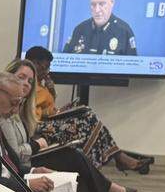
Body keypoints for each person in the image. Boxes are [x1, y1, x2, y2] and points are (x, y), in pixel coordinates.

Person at [1, 57, 135, 192]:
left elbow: (47, 109)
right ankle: (110, 179)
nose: (26, 84)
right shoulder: (6, 110)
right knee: (77, 144)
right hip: (30, 156)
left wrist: (51, 89)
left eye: (30, 81)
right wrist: (37, 145)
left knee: (78, 171)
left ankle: (108, 174)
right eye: (22, 78)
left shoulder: (27, 101)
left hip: (36, 141)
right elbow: (15, 155)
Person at [24, 45, 153, 173]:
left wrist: (56, 101)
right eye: (45, 67)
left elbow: (48, 107)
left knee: (87, 116)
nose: (47, 72)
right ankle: (109, 162)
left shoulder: (40, 84)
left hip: (47, 122)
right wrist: (54, 113)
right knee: (88, 121)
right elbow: (34, 113)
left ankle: (107, 162)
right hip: (37, 127)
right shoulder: (28, 84)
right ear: (34, 63)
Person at [63, 0, 137, 55]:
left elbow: (132, 65)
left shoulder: (124, 31)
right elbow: (64, 61)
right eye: (93, 4)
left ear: (112, 2)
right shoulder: (79, 30)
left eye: (102, 4)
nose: (97, 10)